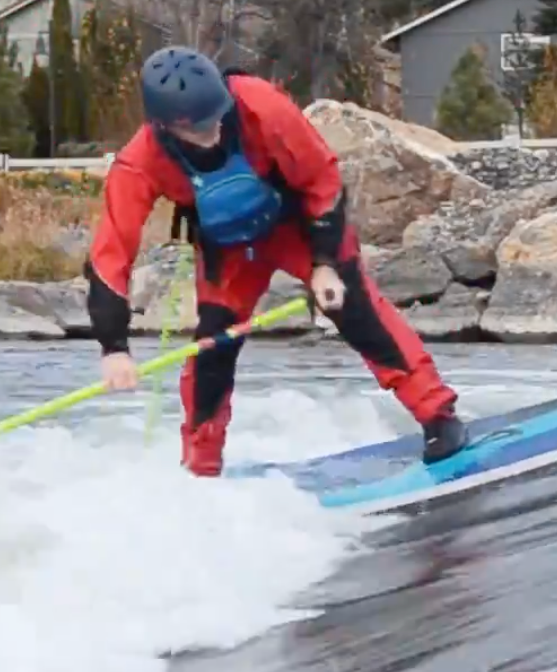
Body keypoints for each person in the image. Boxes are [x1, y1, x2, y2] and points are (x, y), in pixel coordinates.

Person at [84, 46, 469, 477]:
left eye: (217, 118)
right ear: (167, 126)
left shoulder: (259, 103)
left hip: (299, 226)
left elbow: (322, 179)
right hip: (228, 250)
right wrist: (114, 348)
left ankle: (438, 416)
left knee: (355, 309)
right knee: (213, 352)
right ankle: (200, 470)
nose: (213, 132)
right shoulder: (139, 162)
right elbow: (109, 258)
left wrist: (325, 262)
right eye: (199, 127)